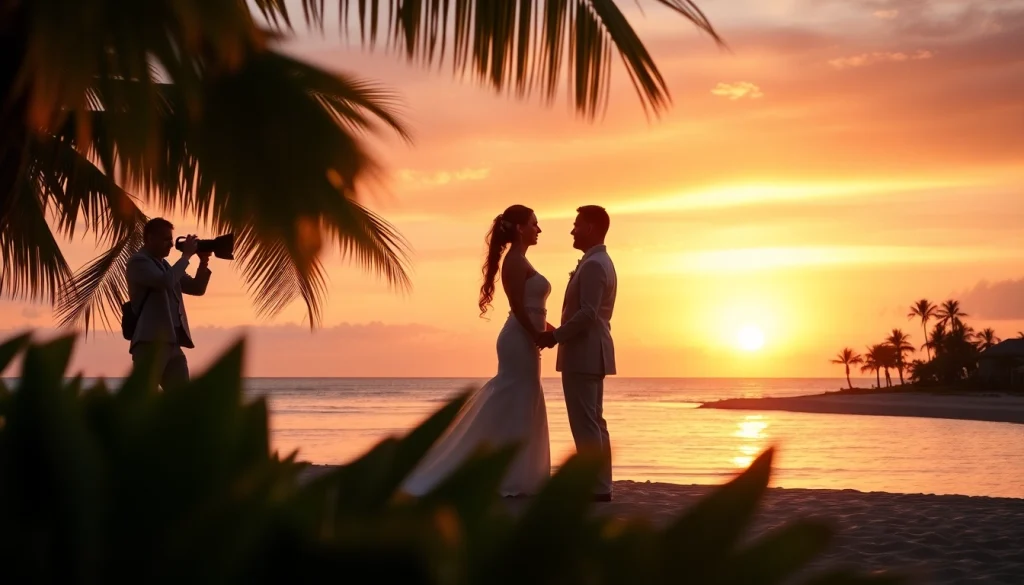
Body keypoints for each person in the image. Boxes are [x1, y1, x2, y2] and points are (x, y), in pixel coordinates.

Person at [402, 205, 552, 497]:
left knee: (522, 399)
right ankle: (505, 472)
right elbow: (519, 308)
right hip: (519, 340)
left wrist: (554, 331)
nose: (539, 229)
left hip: (526, 338)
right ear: (520, 228)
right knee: (516, 398)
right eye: (534, 224)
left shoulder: (522, 261)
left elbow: (535, 311)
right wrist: (537, 333)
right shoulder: (515, 262)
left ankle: (519, 472)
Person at [537, 205, 617, 502]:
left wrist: (555, 336)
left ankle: (595, 486)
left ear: (591, 228)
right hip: (591, 353)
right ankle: (601, 484)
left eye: (576, 224)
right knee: (594, 421)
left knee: (585, 422)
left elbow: (587, 314)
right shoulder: (598, 262)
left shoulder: (595, 265)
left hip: (584, 353)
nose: (572, 230)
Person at [126, 217, 212, 389]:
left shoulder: (166, 266)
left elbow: (197, 288)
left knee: (181, 400)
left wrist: (203, 262)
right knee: (144, 399)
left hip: (172, 343)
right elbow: (165, 282)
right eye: (166, 239)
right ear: (150, 238)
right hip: (149, 343)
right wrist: (186, 256)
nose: (171, 245)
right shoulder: (138, 262)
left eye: (171, 239)